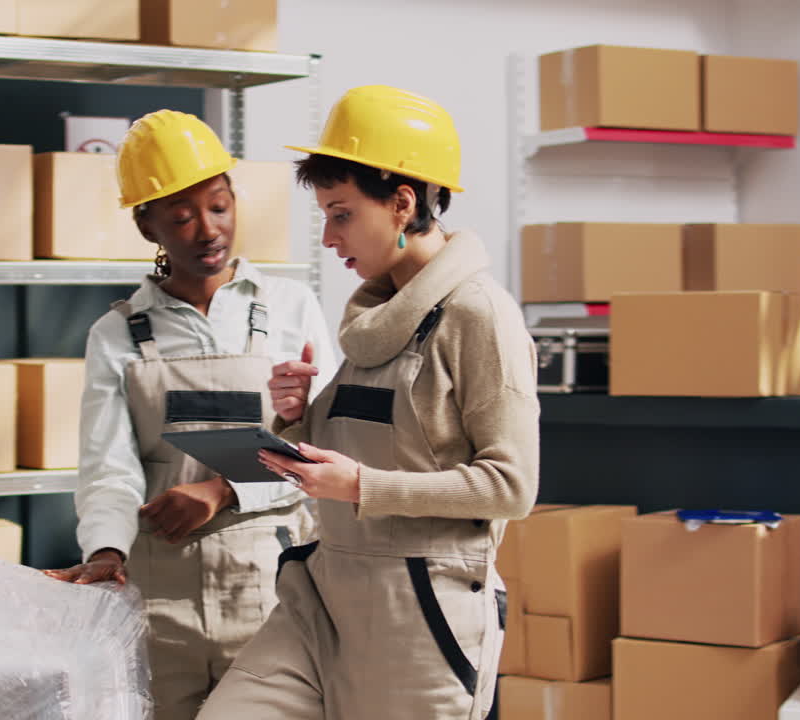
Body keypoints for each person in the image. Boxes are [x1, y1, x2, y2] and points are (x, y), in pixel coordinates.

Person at [196, 85, 541, 720]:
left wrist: (363, 487)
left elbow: (512, 486)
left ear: (402, 203)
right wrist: (294, 416)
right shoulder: (376, 319)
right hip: (325, 594)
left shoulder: (480, 316)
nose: (328, 237)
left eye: (341, 213)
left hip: (417, 610)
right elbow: (347, 453)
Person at [43, 109, 335, 720]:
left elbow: (324, 450)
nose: (208, 230)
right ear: (147, 224)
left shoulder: (291, 308)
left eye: (220, 207)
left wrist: (223, 491)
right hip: (160, 596)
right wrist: (105, 554)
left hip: (271, 584)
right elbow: (108, 466)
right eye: (181, 216)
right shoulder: (117, 334)